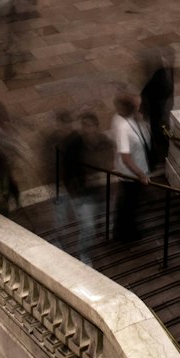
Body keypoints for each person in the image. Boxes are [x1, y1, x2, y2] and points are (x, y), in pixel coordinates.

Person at [54, 111, 102, 265]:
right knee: (85, 226)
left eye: (90, 126)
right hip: (78, 192)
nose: (87, 129)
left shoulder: (99, 142)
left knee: (84, 225)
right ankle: (82, 255)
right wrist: (74, 192)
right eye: (84, 125)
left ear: (96, 127)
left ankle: (75, 249)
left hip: (90, 191)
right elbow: (67, 169)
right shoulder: (75, 144)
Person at [109, 94, 150, 242]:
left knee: (129, 202)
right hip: (130, 174)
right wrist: (141, 175)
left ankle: (125, 229)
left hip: (137, 169)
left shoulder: (128, 119)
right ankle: (125, 233)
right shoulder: (122, 127)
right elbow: (126, 157)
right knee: (128, 203)